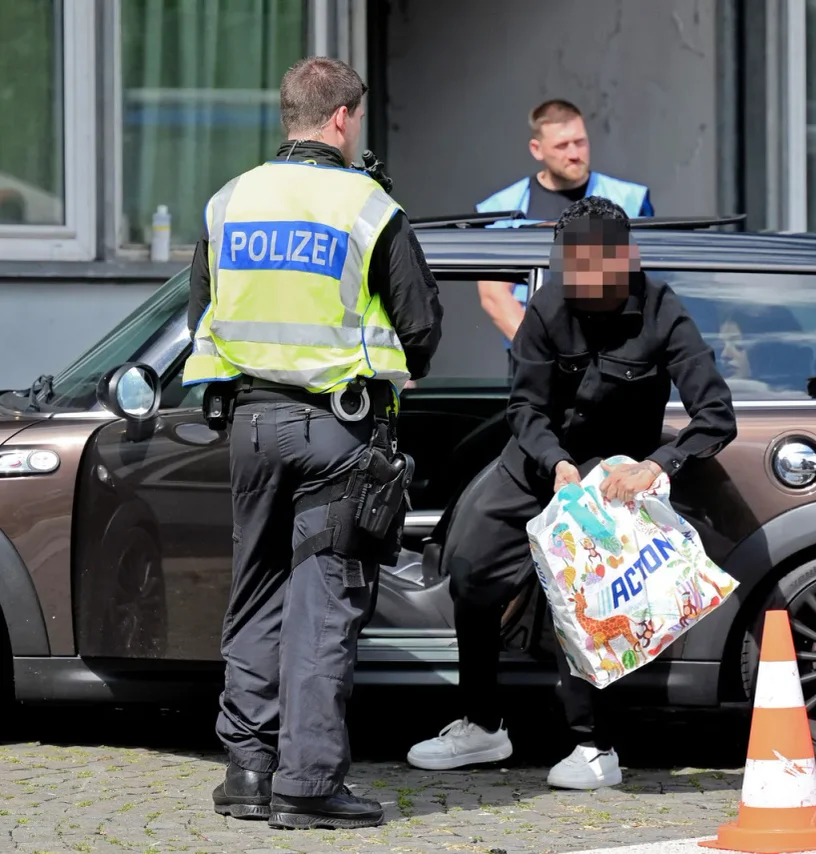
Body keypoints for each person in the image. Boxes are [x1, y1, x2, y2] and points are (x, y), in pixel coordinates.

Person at [183, 56, 443, 829]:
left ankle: (247, 773)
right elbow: (420, 323)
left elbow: (204, 314)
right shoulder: (366, 206)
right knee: (323, 606)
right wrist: (405, 371)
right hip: (337, 430)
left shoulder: (228, 202)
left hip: (252, 429)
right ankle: (308, 783)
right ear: (341, 119)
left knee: (256, 594)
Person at [405, 196, 736, 790]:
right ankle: (482, 724)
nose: (580, 282)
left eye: (593, 269)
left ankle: (593, 747)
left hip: (607, 482)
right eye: (570, 268)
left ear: (625, 258)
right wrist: (555, 463)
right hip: (535, 467)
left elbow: (715, 416)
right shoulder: (548, 304)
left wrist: (656, 466)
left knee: (579, 600)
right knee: (469, 572)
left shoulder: (662, 312)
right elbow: (525, 406)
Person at [475, 100, 654, 344]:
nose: (574, 154)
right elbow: (494, 295)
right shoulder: (502, 209)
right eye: (561, 146)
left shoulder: (630, 200)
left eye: (580, 142)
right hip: (538, 359)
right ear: (537, 149)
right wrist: (539, 350)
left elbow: (649, 280)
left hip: (616, 351)